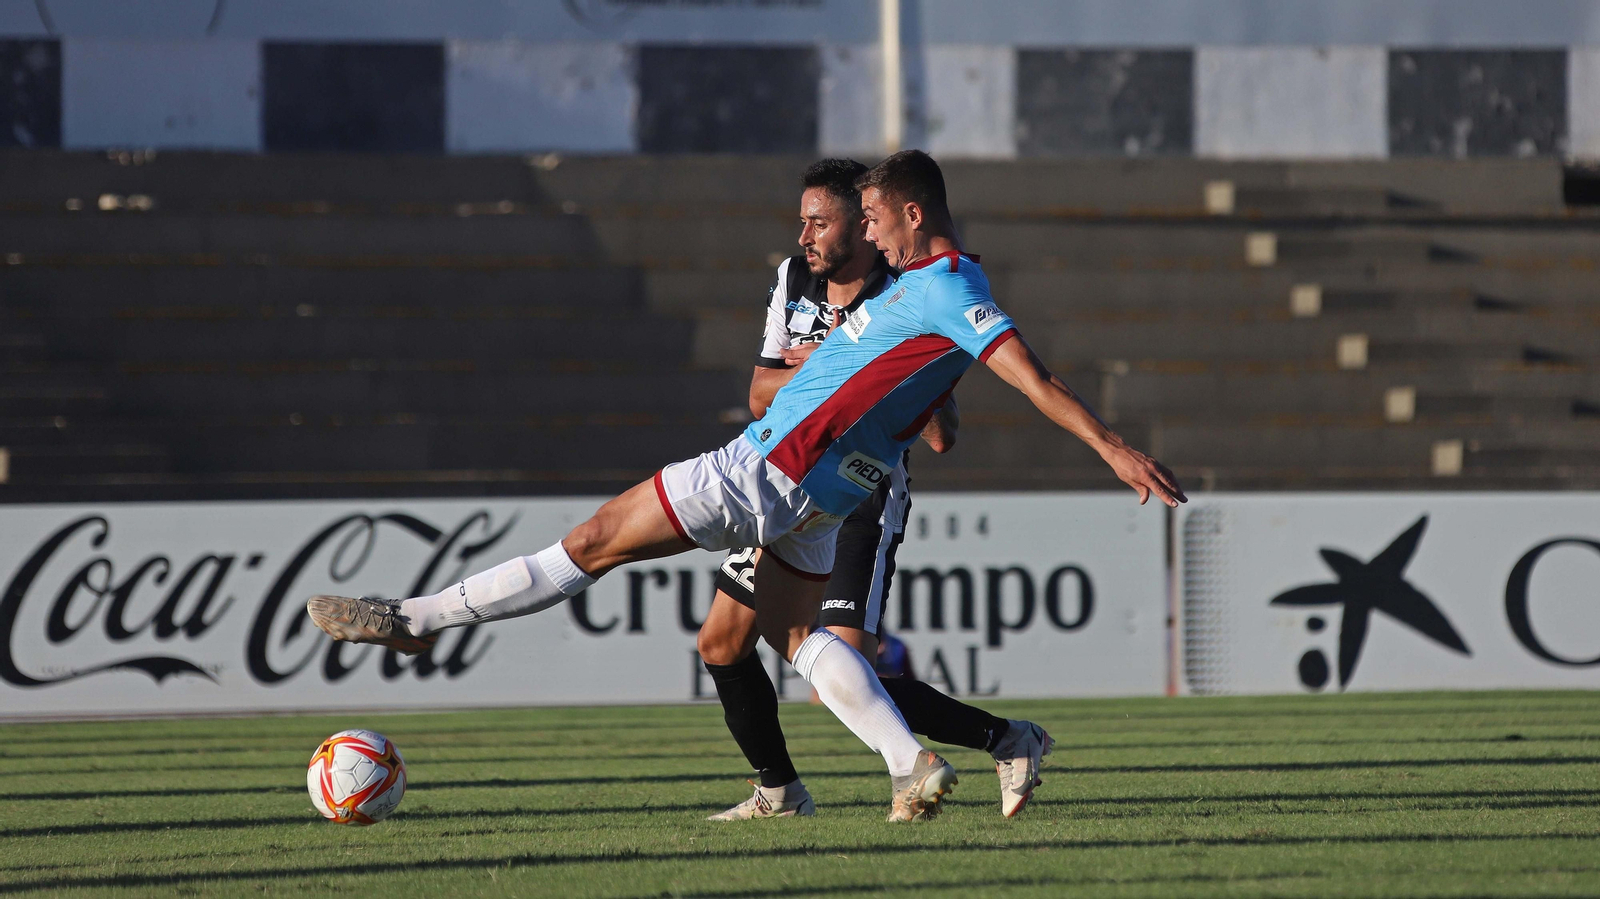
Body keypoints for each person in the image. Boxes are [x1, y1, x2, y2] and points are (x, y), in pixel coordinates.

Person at [307, 149, 1185, 824]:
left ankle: (418, 620)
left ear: (913, 214)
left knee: (591, 543)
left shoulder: (951, 289)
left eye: (876, 218)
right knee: (797, 634)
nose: (871, 233)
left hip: (770, 465)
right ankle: (908, 762)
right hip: (826, 490)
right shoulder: (919, 287)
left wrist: (1112, 448)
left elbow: (1028, 377)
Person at [698, 159, 1052, 822]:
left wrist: (876, 372)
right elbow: (757, 394)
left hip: (860, 493)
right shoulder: (794, 278)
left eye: (821, 222)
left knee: (844, 664)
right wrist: (835, 360)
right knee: (722, 640)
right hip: (783, 477)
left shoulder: (910, 291)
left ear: (864, 229)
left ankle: (1002, 739)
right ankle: (778, 790)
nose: (805, 236)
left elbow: (941, 434)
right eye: (803, 221)